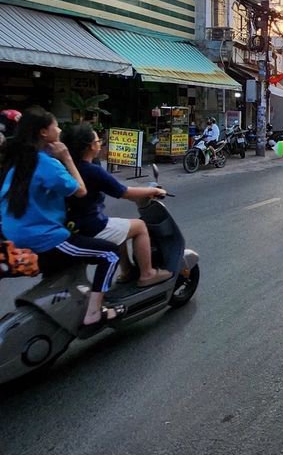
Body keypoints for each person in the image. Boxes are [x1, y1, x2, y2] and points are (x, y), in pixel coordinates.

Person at [0, 107, 122, 329]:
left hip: (15, 236)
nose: (59, 130)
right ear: (44, 132)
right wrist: (66, 157)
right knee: (110, 254)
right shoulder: (47, 163)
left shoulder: (17, 161)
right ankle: (94, 313)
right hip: (44, 238)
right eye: (56, 126)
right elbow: (80, 191)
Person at [63, 123, 172, 287]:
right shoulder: (92, 170)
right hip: (92, 227)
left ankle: (127, 271)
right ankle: (147, 274)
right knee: (140, 226)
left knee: (120, 226)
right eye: (98, 141)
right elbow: (124, 192)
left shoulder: (70, 169)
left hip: (75, 226)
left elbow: (115, 187)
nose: (100, 144)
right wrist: (154, 190)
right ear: (91, 146)